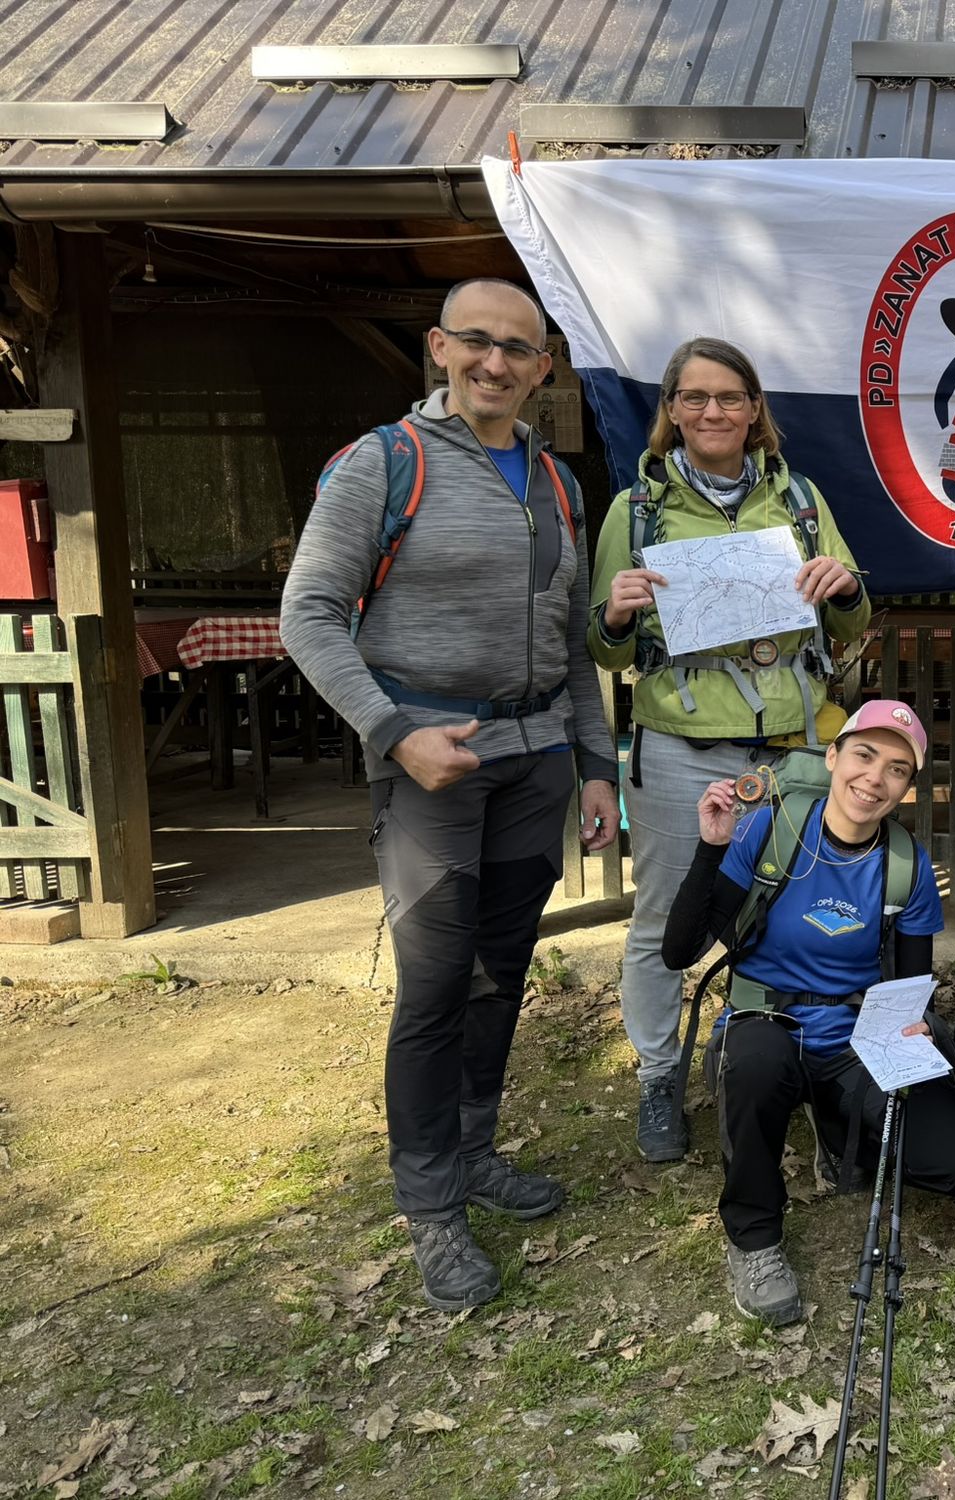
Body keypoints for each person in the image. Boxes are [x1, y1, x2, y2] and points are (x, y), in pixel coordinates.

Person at [280, 278, 620, 1310]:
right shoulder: (383, 464)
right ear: (439, 347)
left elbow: (571, 643)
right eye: (477, 341)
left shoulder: (556, 480)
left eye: (519, 349)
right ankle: (430, 1203)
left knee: (499, 972)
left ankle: (473, 1153)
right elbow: (309, 614)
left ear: (543, 369)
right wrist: (394, 734)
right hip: (428, 762)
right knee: (433, 988)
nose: (495, 362)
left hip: (535, 761)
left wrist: (596, 765)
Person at [590, 336, 871, 1166]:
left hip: (791, 749)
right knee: (664, 916)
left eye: (729, 397)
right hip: (682, 747)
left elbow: (851, 621)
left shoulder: (801, 502)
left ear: (755, 411)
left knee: (794, 910)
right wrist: (616, 614)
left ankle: (787, 1059)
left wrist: (844, 588)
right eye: (695, 397)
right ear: (671, 412)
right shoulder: (635, 511)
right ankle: (659, 1075)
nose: (713, 411)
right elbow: (604, 648)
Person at [661, 701, 955, 1324]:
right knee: (758, 1064)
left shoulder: (905, 865)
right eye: (864, 755)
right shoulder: (771, 829)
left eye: (897, 769)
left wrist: (914, 1030)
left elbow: (908, 986)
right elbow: (680, 951)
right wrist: (711, 848)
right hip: (764, 1028)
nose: (874, 778)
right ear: (833, 757)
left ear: (907, 787)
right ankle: (754, 1239)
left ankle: (838, 1133)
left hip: (850, 1042)